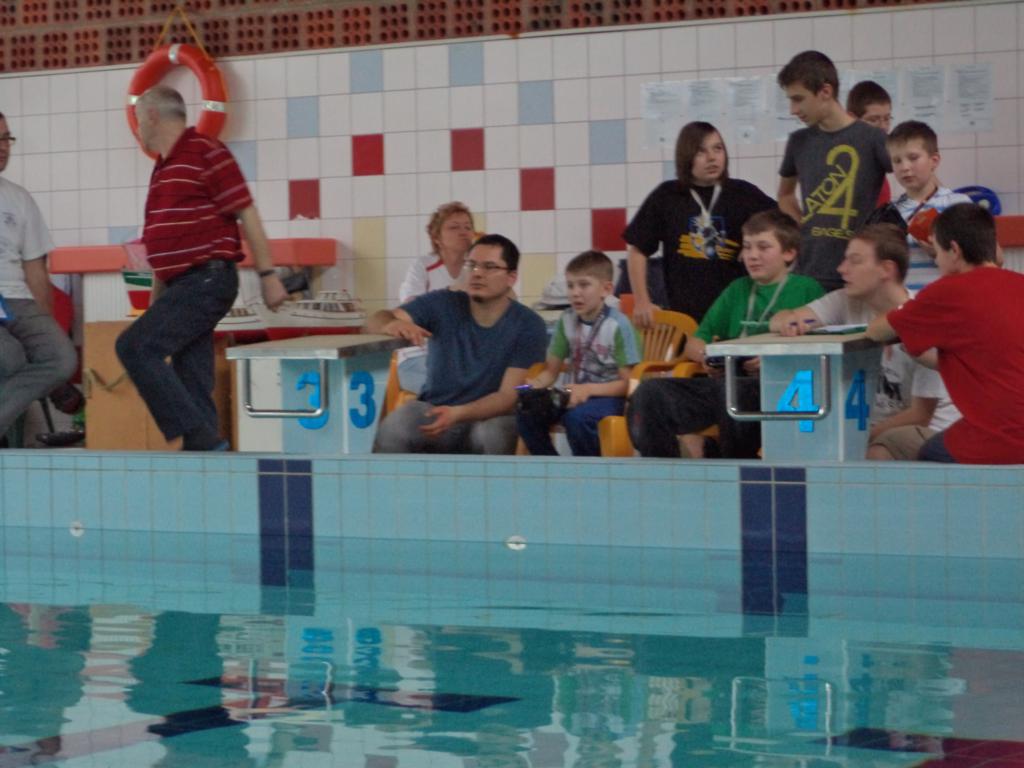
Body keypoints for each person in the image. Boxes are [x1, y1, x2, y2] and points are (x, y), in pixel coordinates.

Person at [115, 86, 288, 451]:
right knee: (191, 375)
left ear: (152, 116)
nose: (137, 130)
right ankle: (206, 455)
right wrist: (157, 303)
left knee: (134, 347)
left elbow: (246, 212)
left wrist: (268, 275)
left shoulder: (206, 151)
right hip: (183, 284)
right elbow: (163, 247)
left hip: (207, 279)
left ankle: (200, 437)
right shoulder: (163, 168)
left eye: (137, 121)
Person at [628, 210, 823, 459]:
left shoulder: (806, 289)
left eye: (763, 247)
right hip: (728, 382)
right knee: (650, 393)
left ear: (789, 253)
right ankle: (664, 470)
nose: (752, 255)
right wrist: (710, 357)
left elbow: (820, 351)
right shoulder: (737, 289)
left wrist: (771, 361)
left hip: (781, 387)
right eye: (748, 247)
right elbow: (694, 343)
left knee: (733, 393)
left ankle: (732, 464)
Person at [769, 223, 959, 460]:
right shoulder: (844, 301)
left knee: (872, 454)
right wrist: (787, 322)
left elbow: (921, 414)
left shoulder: (923, 318)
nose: (841, 269)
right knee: (796, 444)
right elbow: (781, 319)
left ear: (886, 269)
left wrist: (850, 439)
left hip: (929, 431)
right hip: (868, 428)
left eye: (855, 261)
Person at [866, 203, 1024, 464]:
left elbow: (876, 330)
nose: (936, 261)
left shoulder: (947, 292)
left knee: (923, 451)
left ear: (954, 250)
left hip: (999, 441)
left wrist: (905, 315)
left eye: (937, 252)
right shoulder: (1019, 283)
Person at [369, 233, 547, 454]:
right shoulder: (441, 303)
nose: (477, 273)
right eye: (471, 265)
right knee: (396, 426)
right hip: (436, 410)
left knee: (494, 433)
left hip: (492, 417)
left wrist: (458, 414)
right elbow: (375, 320)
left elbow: (508, 397)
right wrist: (391, 324)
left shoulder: (529, 324)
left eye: (489, 267)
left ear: (511, 277)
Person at [623, 121, 776, 328]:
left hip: (737, 314)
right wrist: (642, 301)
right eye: (701, 151)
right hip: (686, 317)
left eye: (717, 148)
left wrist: (752, 245)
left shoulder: (743, 193)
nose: (712, 157)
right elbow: (637, 251)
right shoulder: (667, 196)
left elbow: (783, 228)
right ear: (686, 157)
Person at [777, 51, 892, 291]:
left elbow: (913, 178)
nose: (793, 110)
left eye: (798, 99)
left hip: (858, 272)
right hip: (810, 269)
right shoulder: (798, 141)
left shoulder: (872, 139)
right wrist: (804, 227)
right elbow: (785, 195)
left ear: (825, 92)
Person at [516, 250, 641, 456]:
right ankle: (551, 466)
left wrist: (589, 390)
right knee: (526, 412)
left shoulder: (617, 325)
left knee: (576, 418)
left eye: (584, 285)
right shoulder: (566, 320)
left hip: (611, 398)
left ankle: (589, 470)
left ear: (606, 289)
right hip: (574, 395)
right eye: (570, 285)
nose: (575, 293)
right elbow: (550, 372)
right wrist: (534, 385)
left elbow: (629, 384)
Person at [0, 113, 78, 442]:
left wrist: (47, 328)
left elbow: (35, 271)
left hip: (16, 299)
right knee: (12, 358)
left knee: (62, 359)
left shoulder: (19, 198)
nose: (3, 147)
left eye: (6, 138)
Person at [395, 201, 474, 394]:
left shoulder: (478, 269)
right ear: (436, 237)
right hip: (419, 354)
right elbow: (411, 308)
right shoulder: (422, 266)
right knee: (449, 388)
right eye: (454, 227)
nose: (463, 232)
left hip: (463, 357)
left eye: (468, 227)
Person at [885, 121, 972, 291]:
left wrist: (940, 253)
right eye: (897, 161)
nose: (905, 167)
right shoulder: (889, 211)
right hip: (906, 301)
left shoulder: (957, 204)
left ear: (934, 160)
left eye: (913, 158)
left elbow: (991, 259)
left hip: (948, 297)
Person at [846, 79, 894, 205]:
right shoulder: (846, 160)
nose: (883, 127)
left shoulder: (879, 155)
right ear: (851, 118)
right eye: (873, 120)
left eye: (887, 119)